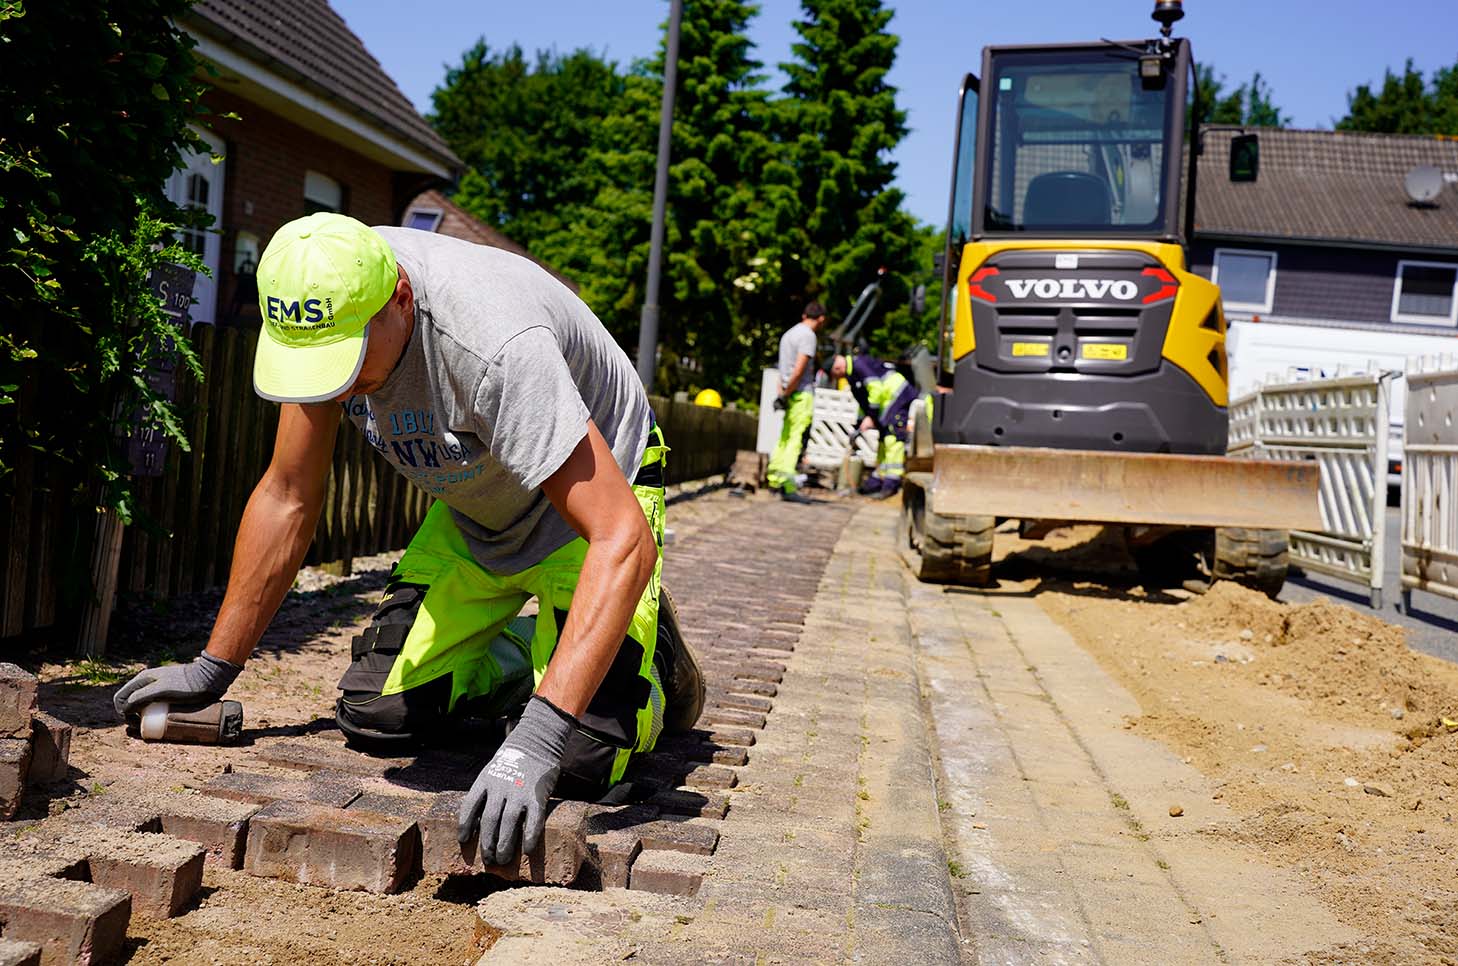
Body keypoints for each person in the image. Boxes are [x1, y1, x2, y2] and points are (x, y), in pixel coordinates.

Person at [112, 212, 705, 869]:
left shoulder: (497, 342)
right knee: (377, 712)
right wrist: (212, 667)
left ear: (400, 297)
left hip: (591, 510)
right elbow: (288, 495)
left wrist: (534, 740)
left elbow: (619, 537)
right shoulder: (329, 296)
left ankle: (655, 661)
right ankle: (541, 650)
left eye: (351, 356)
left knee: (578, 756)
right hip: (476, 508)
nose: (338, 383)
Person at [830, 351, 921, 498]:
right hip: (887, 401)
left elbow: (876, 389)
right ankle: (877, 480)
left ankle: (891, 483)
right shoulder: (852, 374)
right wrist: (860, 422)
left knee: (893, 439)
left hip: (897, 396)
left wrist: (871, 416)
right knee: (884, 440)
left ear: (837, 367)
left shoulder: (859, 366)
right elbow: (863, 400)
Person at [766, 302, 827, 498]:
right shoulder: (808, 336)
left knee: (784, 436)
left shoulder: (789, 334)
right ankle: (788, 486)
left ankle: (774, 478)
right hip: (801, 394)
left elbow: (783, 368)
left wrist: (783, 393)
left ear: (803, 315)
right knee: (795, 438)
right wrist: (789, 391)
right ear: (821, 319)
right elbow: (799, 369)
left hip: (788, 391)